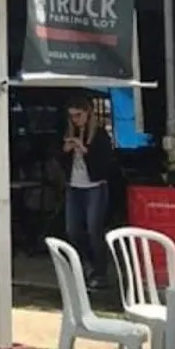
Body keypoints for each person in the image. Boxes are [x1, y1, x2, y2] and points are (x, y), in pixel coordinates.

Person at [59, 94, 114, 288]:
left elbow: (105, 166)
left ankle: (100, 273)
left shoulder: (99, 135)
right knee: (72, 230)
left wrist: (84, 150)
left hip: (94, 187)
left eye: (78, 115)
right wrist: (65, 151)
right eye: (72, 116)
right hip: (74, 187)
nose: (75, 120)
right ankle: (84, 265)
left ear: (88, 114)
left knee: (94, 230)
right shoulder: (68, 131)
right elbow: (60, 161)